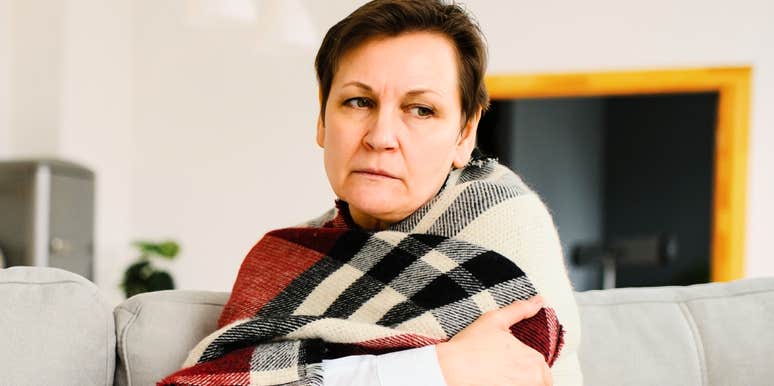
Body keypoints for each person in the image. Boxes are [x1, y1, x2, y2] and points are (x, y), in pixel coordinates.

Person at [159, 1, 581, 385]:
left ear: (464, 136)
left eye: (421, 109)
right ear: (322, 120)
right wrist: (430, 369)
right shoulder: (284, 260)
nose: (381, 137)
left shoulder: (503, 226)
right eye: (359, 102)